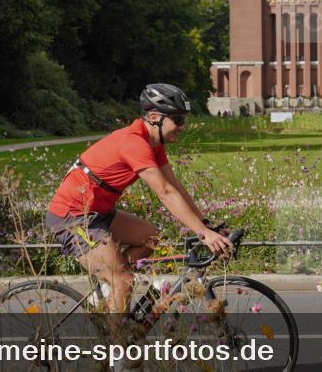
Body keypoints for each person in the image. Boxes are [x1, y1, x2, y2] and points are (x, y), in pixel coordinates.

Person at [45, 83, 233, 314]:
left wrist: (205, 225)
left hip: (100, 213)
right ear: (154, 117)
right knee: (123, 281)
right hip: (72, 217)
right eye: (178, 119)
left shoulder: (153, 144)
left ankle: (110, 292)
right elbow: (164, 192)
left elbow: (175, 186)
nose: (182, 126)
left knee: (151, 238)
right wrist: (204, 234)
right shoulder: (134, 143)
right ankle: (117, 327)